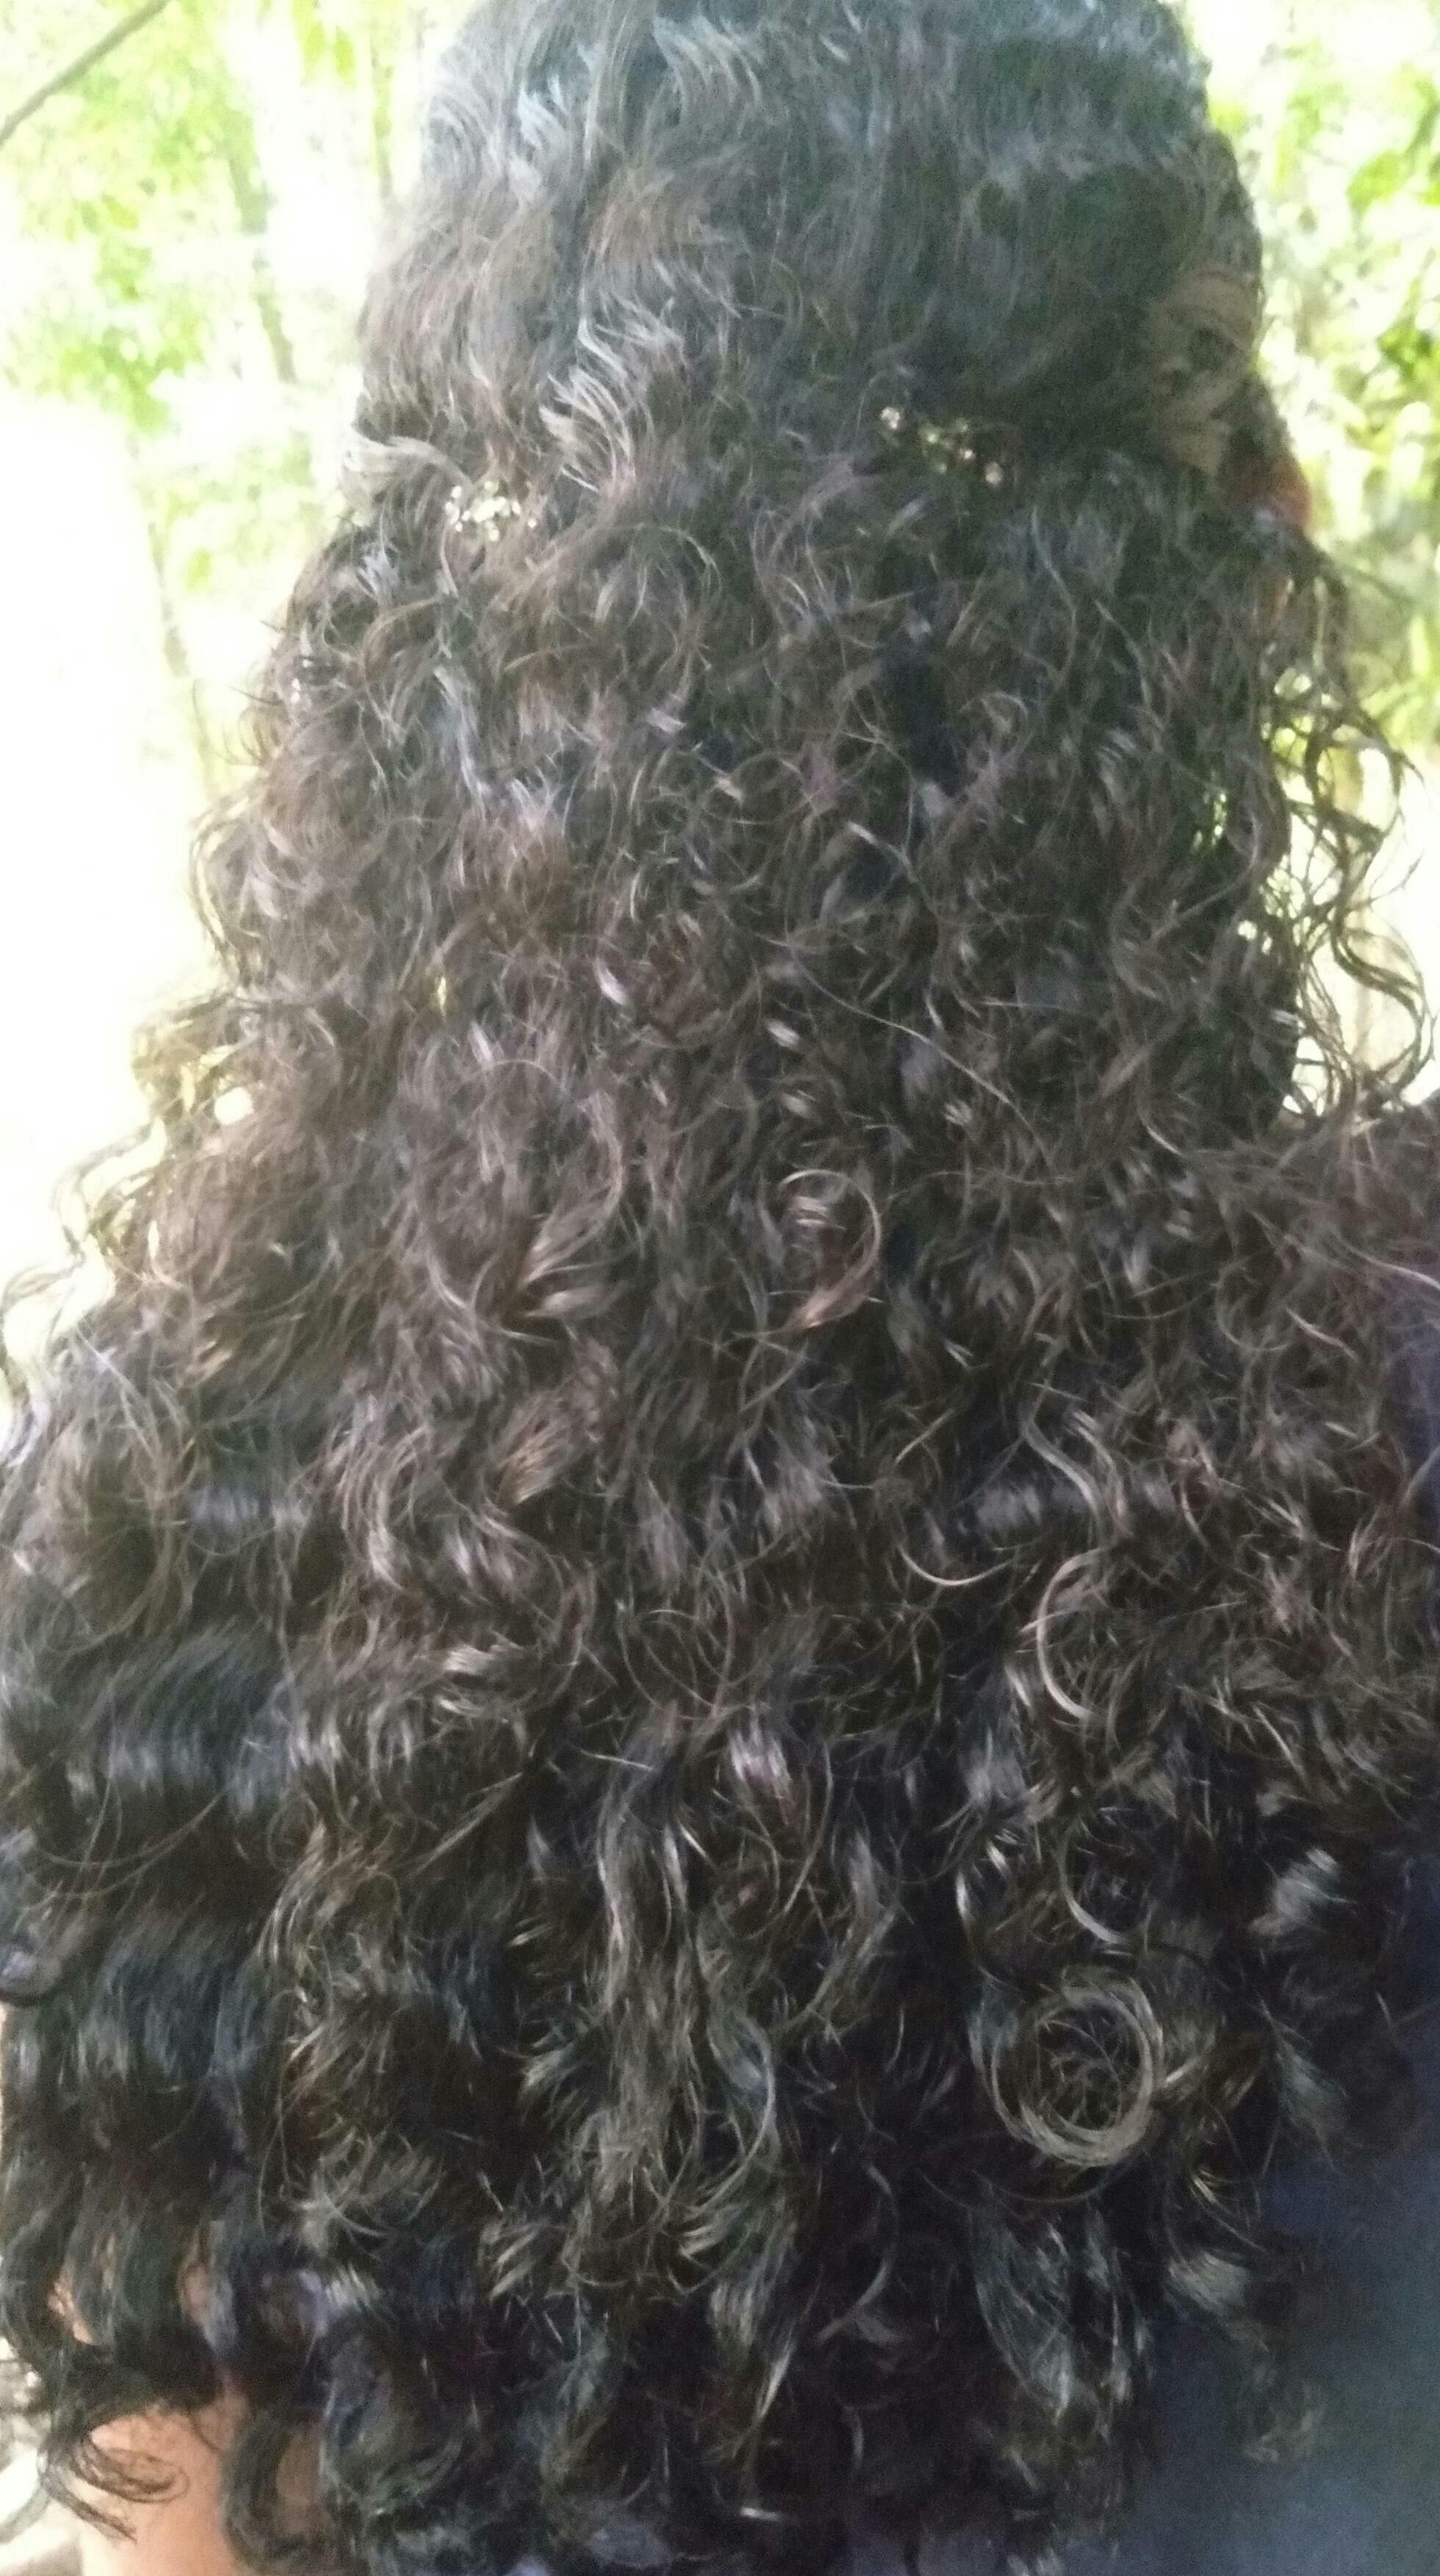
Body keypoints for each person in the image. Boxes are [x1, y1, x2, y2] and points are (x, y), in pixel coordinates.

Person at [2, 1, 1439, 2571]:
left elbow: (189, 2519)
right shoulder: (1388, 1435)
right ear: (1248, 542)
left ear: (427, 632)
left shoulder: (156, 1551)